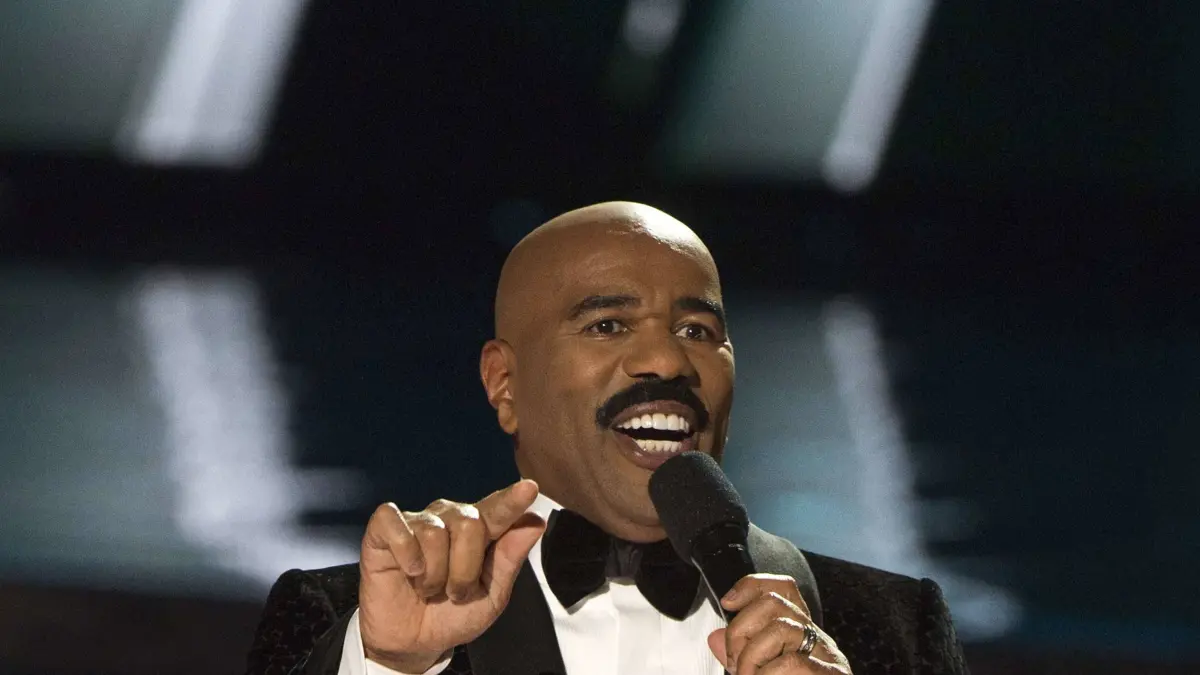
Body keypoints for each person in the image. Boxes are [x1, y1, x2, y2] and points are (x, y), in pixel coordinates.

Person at [245, 202, 969, 675]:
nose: (666, 361)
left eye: (697, 330)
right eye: (608, 325)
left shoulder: (896, 629)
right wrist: (390, 667)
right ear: (504, 384)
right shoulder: (345, 621)